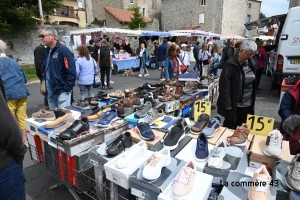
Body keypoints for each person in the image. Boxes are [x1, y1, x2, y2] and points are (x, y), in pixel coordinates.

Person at [217, 39, 257, 129]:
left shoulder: (251, 62)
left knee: (242, 126)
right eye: (249, 54)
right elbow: (224, 85)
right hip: (234, 103)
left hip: (247, 102)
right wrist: (227, 103)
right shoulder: (230, 64)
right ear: (241, 50)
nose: (251, 56)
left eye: (252, 54)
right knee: (230, 126)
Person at [0, 76, 27, 200]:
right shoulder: (13, 63)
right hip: (3, 162)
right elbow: (5, 124)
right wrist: (20, 151)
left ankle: (23, 137)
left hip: (11, 94)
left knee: (14, 115)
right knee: (21, 117)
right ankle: (24, 136)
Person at [0, 39, 30, 144]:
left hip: (8, 95)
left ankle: (15, 141)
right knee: (22, 117)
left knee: (9, 120)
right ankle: (24, 139)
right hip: (22, 92)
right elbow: (25, 78)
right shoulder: (14, 62)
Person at [39, 26, 76, 110]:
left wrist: (66, 89)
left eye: (42, 36)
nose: (41, 38)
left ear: (52, 36)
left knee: (63, 118)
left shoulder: (63, 51)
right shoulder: (47, 51)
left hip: (61, 91)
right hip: (50, 91)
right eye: (40, 36)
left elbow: (71, 72)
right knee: (54, 117)